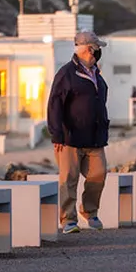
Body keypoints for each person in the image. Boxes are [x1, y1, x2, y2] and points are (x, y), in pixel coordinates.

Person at [47, 31, 110, 234]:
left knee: (98, 174)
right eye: (97, 49)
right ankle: (68, 219)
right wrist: (56, 134)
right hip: (70, 138)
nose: (99, 53)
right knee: (69, 179)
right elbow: (54, 105)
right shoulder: (66, 74)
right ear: (89, 49)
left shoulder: (96, 73)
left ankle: (89, 211)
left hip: (95, 138)